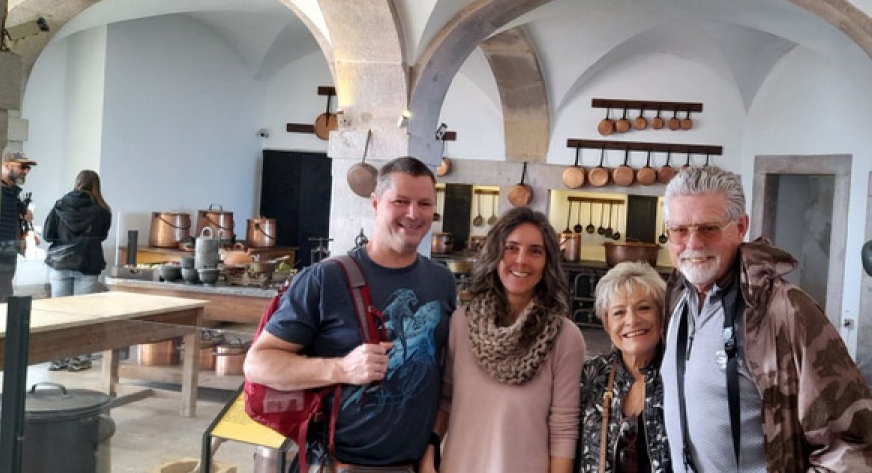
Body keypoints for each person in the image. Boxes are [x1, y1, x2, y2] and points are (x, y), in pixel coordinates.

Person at [660, 165, 872, 473]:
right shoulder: (677, 299)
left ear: (740, 227)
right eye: (679, 230)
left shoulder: (782, 310)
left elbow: (858, 447)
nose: (692, 244)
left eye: (709, 228)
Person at [243, 156, 456, 472]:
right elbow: (257, 364)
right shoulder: (324, 279)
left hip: (410, 465)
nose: (414, 214)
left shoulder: (442, 281)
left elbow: (441, 375)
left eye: (424, 204)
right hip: (337, 464)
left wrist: (432, 445)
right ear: (374, 203)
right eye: (400, 201)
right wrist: (341, 368)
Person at [440, 206, 586, 473]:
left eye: (535, 251)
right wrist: (429, 452)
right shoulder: (461, 323)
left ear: (548, 262)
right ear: (495, 254)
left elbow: (563, 429)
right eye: (511, 248)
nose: (521, 260)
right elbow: (445, 402)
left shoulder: (565, 337)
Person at [578, 262, 673, 473]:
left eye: (644, 308)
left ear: (662, 315)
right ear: (606, 324)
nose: (632, 320)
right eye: (619, 312)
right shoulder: (591, 376)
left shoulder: (680, 374)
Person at [42, 169, 113, 371]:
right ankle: (79, 359)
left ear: (77, 183)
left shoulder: (60, 205)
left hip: (60, 264)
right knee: (85, 314)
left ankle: (58, 359)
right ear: (95, 186)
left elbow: (48, 234)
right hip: (88, 263)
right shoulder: (102, 209)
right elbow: (102, 236)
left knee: (59, 314)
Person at [0, 149, 37, 303]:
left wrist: (24, 214)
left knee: (4, 294)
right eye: (22, 166)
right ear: (6, 165)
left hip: (8, 250)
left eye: (28, 167)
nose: (26, 171)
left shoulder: (12, 193)